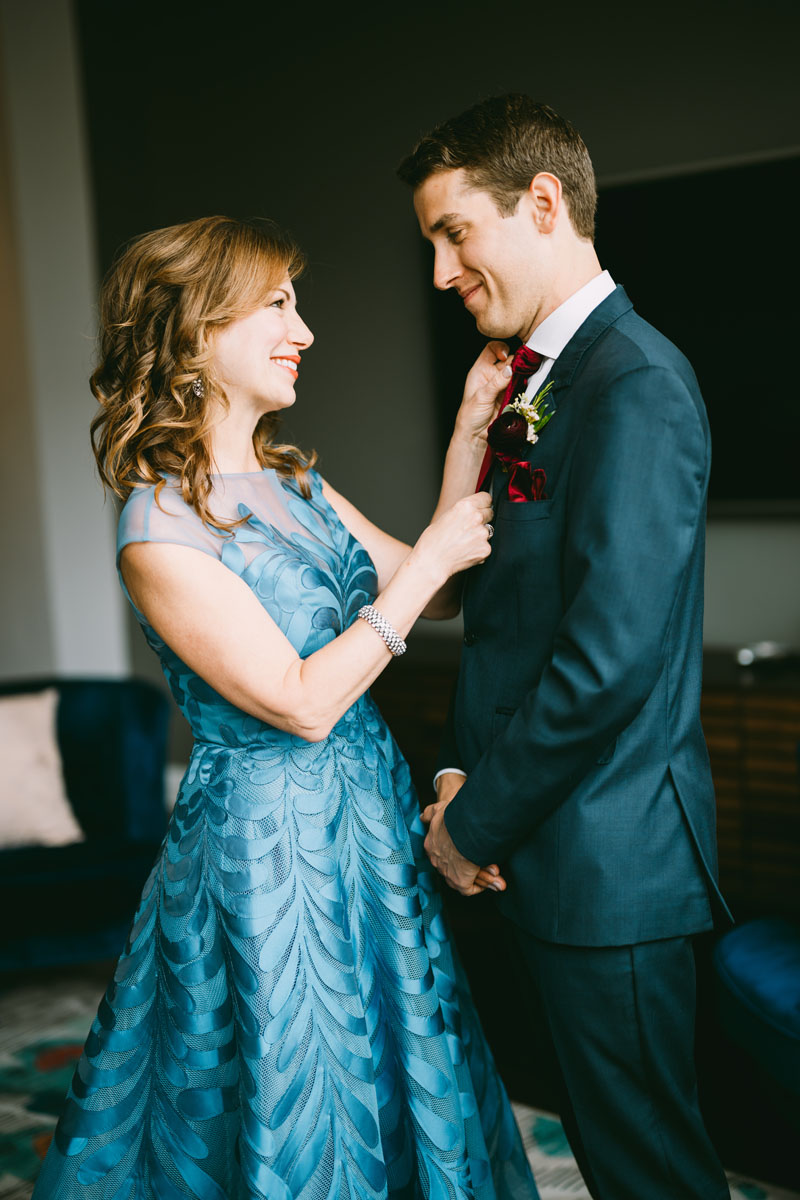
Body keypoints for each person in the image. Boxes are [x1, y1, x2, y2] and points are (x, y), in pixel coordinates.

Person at [32, 216, 539, 1199]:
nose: (302, 328)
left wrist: (472, 426)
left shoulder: (295, 480)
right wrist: (430, 561)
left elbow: (425, 592)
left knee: (398, 1046)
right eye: (276, 304)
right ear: (193, 331)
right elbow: (303, 704)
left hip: (367, 813)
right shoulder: (159, 529)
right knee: (294, 1072)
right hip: (269, 847)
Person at [398, 95, 734, 1200]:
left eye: (454, 233)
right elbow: (508, 621)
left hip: (609, 864)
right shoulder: (534, 382)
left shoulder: (633, 381)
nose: (442, 273)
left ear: (541, 203)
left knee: (649, 1168)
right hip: (541, 849)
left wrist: (470, 824)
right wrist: (453, 776)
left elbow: (607, 660)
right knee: (602, 1151)